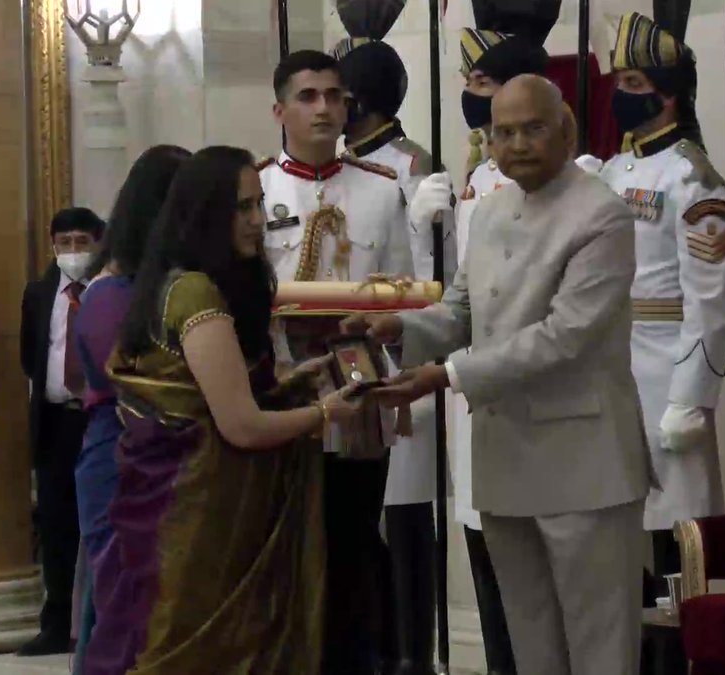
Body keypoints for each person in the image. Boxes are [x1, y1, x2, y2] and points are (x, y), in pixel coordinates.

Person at [348, 75, 653, 675]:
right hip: (505, 458)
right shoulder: (487, 212)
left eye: (532, 129)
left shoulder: (601, 213)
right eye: (503, 133)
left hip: (583, 465)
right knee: (531, 644)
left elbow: (564, 336)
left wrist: (445, 375)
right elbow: (461, 309)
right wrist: (398, 329)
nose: (516, 144)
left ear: (565, 130)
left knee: (600, 648)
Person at [82, 146, 364, 675]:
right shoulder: (194, 291)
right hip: (195, 521)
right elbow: (241, 426)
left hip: (189, 512)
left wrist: (289, 386)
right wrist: (327, 413)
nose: (259, 220)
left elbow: (217, 397)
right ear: (207, 213)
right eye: (243, 208)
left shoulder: (174, 282)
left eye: (259, 204)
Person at [405, 13, 562, 674]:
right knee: (481, 536)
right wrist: (424, 232)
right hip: (473, 393)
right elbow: (454, 295)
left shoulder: (571, 185)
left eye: (481, 84)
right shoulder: (473, 184)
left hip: (534, 391)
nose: (474, 100)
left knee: (545, 575)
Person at [260, 49, 415, 675]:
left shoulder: (380, 189)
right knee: (285, 539)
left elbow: (404, 291)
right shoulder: (257, 188)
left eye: (334, 95)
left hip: (356, 378)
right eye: (307, 96)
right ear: (280, 110)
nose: (323, 108)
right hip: (280, 380)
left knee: (353, 536)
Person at [580, 11, 725, 602]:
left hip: (664, 375)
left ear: (667, 95)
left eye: (633, 84)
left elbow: (711, 301)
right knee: (617, 542)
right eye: (619, 82)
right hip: (609, 373)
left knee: (675, 542)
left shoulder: (694, 180)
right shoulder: (612, 169)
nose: (619, 95)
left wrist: (692, 397)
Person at [333, 35, 457, 675]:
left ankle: (412, 652)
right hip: (343, 351)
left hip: (401, 349)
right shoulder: (338, 167)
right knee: (359, 518)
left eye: (339, 96)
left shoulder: (412, 167)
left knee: (406, 515)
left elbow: (436, 274)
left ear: (360, 101)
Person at [69, 144, 190, 672]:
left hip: (152, 452)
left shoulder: (157, 284)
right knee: (123, 606)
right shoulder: (110, 292)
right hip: (121, 455)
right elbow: (130, 387)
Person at [18, 206, 104, 656]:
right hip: (54, 422)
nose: (72, 251)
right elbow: (30, 355)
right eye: (64, 242)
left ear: (98, 244)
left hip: (99, 420)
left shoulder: (110, 291)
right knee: (55, 524)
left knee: (99, 522)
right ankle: (56, 624)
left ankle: (98, 623)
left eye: (81, 242)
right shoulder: (38, 293)